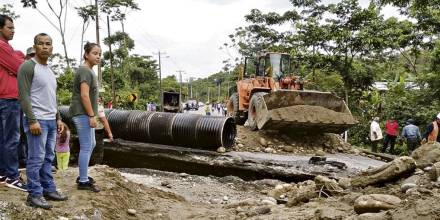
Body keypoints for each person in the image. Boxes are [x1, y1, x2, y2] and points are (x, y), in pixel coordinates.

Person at [18, 33, 68, 209]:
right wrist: (32, 120)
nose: (45, 47)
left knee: (48, 157)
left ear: (52, 48)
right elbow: (23, 96)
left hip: (50, 121)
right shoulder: (28, 67)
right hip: (37, 120)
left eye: (48, 44)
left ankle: (48, 189)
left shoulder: (49, 70)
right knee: (35, 158)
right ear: (35, 46)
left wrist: (59, 118)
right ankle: (34, 194)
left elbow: (52, 97)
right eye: (41, 44)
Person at [69, 42, 101, 192]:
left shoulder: (89, 71)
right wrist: (92, 115)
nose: (98, 57)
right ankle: (83, 181)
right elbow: (84, 95)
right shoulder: (85, 71)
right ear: (86, 54)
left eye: (100, 54)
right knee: (87, 146)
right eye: (95, 53)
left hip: (84, 113)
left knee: (92, 144)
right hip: (82, 113)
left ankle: (83, 174)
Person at [0, 14, 26, 190]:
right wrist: (16, 62)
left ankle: (3, 172)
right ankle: (12, 176)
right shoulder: (2, 47)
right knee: (12, 139)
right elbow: (21, 68)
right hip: (8, 98)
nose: (13, 30)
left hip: (6, 97)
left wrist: (16, 58)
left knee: (3, 138)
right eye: (9, 27)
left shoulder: (8, 48)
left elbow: (17, 63)